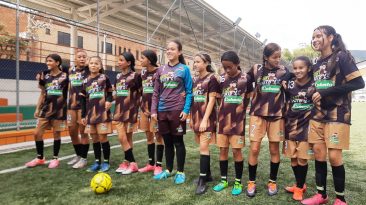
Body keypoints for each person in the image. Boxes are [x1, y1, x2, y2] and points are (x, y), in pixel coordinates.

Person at [301, 25, 365, 205]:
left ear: (331, 37)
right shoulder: (315, 63)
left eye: (318, 36)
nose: (314, 40)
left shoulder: (341, 56)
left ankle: (341, 199)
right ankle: (321, 195)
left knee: (335, 156)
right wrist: (311, 91)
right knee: (319, 153)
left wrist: (326, 92)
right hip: (317, 114)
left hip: (338, 114)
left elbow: (359, 83)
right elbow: (317, 85)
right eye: (312, 37)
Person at [246, 43, 290, 197]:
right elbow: (243, 81)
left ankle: (272, 181)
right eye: (274, 57)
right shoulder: (256, 69)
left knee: (274, 149)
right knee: (254, 149)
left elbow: (293, 86)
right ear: (265, 57)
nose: (278, 60)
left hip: (277, 115)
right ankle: (251, 182)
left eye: (279, 56)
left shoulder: (284, 71)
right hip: (257, 114)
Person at [151, 40, 193, 184]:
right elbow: (156, 92)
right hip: (162, 111)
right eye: (167, 49)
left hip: (177, 111)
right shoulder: (160, 70)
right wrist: (153, 111)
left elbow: (189, 91)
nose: (169, 51)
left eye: (172, 49)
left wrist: (186, 110)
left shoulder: (184, 69)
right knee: (167, 142)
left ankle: (180, 172)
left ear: (179, 52)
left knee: (178, 142)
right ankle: (168, 170)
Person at [212, 51, 252, 196]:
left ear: (237, 64)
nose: (227, 70)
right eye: (224, 67)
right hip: (222, 122)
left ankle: (238, 181)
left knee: (236, 151)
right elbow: (217, 98)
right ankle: (223, 180)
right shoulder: (221, 79)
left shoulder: (246, 78)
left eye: (230, 67)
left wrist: (240, 109)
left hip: (238, 122)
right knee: (222, 150)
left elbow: (247, 98)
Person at [26, 54, 68, 169]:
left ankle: (55, 158)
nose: (47, 63)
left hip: (59, 110)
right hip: (45, 109)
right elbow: (43, 93)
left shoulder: (66, 76)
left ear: (57, 63)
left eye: (50, 61)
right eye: (47, 61)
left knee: (56, 134)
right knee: (37, 133)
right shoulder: (44, 75)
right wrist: (37, 108)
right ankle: (40, 158)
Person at [283, 56, 315, 201]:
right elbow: (282, 77)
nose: (297, 71)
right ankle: (299, 184)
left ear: (308, 68)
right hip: (290, 125)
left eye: (301, 67)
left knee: (302, 159)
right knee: (293, 159)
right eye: (295, 68)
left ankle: (300, 188)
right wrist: (287, 75)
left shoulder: (314, 84)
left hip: (306, 126)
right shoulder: (289, 84)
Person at [191, 52, 219, 194]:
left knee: (203, 147)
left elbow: (212, 101)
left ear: (206, 63)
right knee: (202, 147)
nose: (195, 64)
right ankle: (207, 175)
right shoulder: (195, 80)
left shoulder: (212, 79)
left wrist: (205, 119)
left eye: (198, 62)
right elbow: (194, 101)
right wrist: (192, 119)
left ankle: (202, 181)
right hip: (196, 118)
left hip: (206, 119)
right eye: (194, 62)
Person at [80, 56, 113, 172]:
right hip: (90, 115)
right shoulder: (85, 81)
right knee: (94, 138)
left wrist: (109, 100)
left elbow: (110, 92)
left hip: (102, 113)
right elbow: (83, 99)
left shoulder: (104, 78)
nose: (93, 65)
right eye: (91, 63)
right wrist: (83, 115)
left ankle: (106, 162)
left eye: (96, 63)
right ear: (88, 65)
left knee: (103, 137)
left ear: (100, 66)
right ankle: (97, 162)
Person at [114, 52, 142, 175]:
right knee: (121, 137)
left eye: (121, 60)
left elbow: (141, 93)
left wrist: (138, 108)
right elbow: (117, 93)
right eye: (118, 60)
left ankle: (128, 162)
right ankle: (131, 162)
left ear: (129, 63)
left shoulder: (136, 76)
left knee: (127, 137)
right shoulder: (118, 76)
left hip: (130, 111)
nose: (119, 62)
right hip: (118, 111)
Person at [138, 50, 165, 176]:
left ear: (149, 59)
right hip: (144, 110)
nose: (140, 60)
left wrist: (155, 109)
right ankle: (150, 164)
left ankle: (158, 165)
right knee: (149, 137)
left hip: (156, 111)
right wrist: (142, 106)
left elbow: (163, 92)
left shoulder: (160, 72)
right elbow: (141, 90)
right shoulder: (142, 72)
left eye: (142, 58)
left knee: (159, 137)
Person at [67, 50, 90, 169]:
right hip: (71, 105)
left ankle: (84, 158)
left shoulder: (89, 70)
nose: (81, 59)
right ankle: (78, 155)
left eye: (84, 57)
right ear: (75, 58)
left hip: (83, 105)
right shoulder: (70, 70)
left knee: (83, 132)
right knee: (72, 132)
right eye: (79, 57)